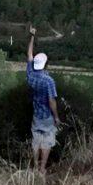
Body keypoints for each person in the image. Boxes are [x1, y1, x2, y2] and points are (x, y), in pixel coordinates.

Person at [26, 25, 60, 174]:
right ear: (46, 64)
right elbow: (52, 101)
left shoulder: (30, 75)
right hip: (47, 116)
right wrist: (56, 117)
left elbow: (29, 55)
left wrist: (32, 36)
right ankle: (41, 169)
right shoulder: (49, 81)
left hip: (36, 114)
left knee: (36, 140)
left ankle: (34, 166)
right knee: (46, 142)